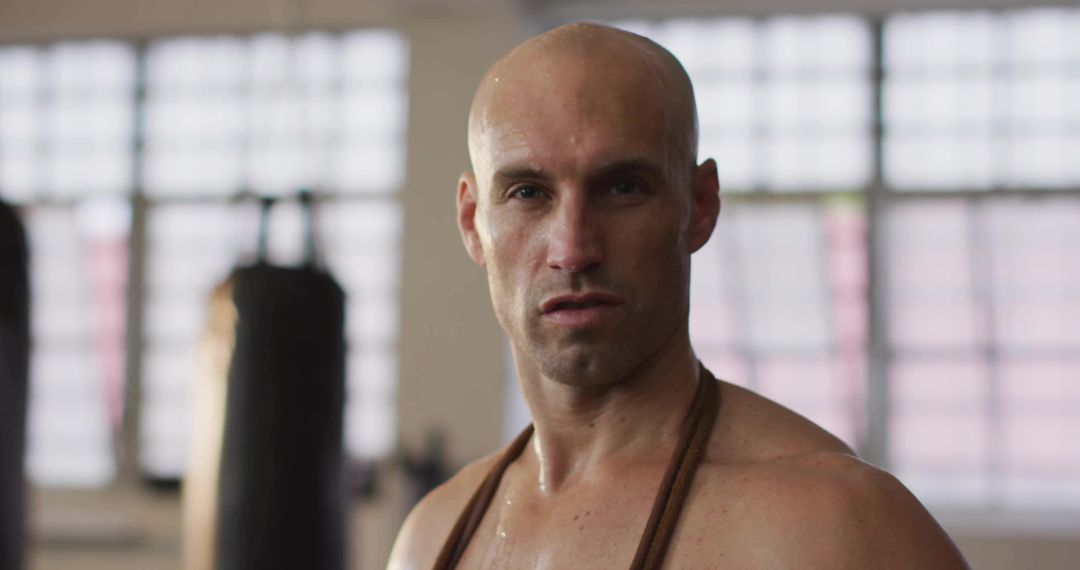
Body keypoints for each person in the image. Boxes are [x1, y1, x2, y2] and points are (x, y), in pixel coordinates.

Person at [389, 22, 969, 569]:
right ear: (472, 222)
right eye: (527, 192)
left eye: (622, 187)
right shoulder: (432, 537)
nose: (572, 248)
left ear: (700, 206)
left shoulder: (838, 525)